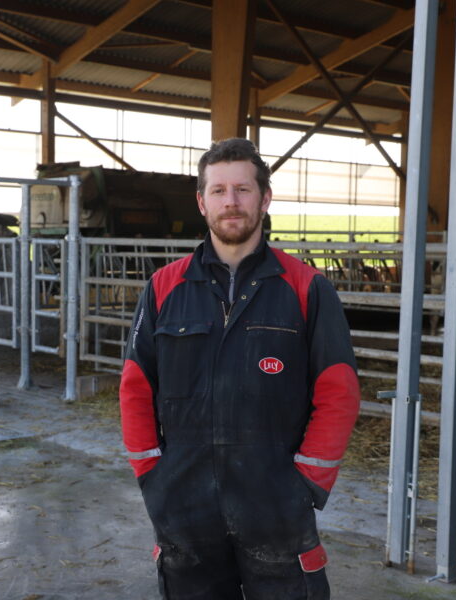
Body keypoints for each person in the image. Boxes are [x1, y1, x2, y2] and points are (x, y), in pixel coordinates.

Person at [119, 138, 360, 599]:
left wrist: (307, 479)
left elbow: (339, 391)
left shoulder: (307, 288)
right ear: (201, 202)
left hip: (275, 502)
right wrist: (152, 473)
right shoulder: (164, 288)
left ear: (265, 199)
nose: (231, 202)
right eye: (219, 190)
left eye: (244, 190)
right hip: (183, 503)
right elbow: (135, 386)